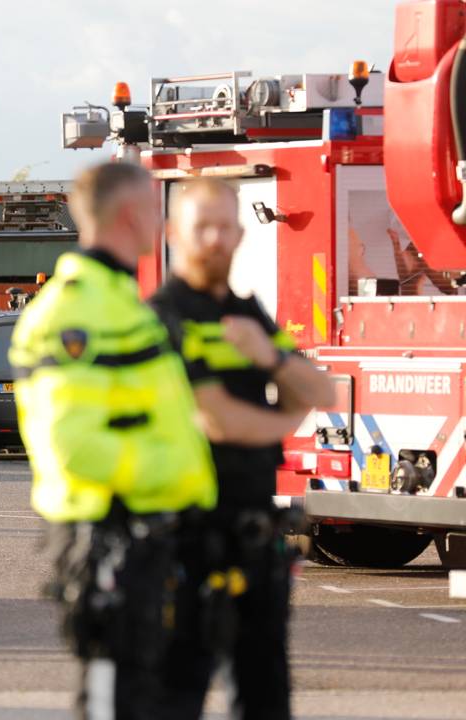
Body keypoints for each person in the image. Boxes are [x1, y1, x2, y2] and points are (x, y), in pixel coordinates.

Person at [8, 161, 217, 719]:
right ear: (131, 215)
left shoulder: (122, 303)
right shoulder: (75, 312)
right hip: (112, 533)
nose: (164, 224)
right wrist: (168, 485)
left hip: (147, 533)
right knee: (118, 703)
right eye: (157, 210)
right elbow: (73, 446)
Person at [149, 178, 335, 720]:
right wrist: (285, 417)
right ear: (172, 234)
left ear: (239, 234)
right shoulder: (163, 316)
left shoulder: (247, 312)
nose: (214, 238)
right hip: (185, 539)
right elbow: (217, 420)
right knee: (177, 696)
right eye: (201, 226)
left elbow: (323, 390)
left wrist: (270, 358)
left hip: (254, 537)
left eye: (225, 226)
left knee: (266, 696)